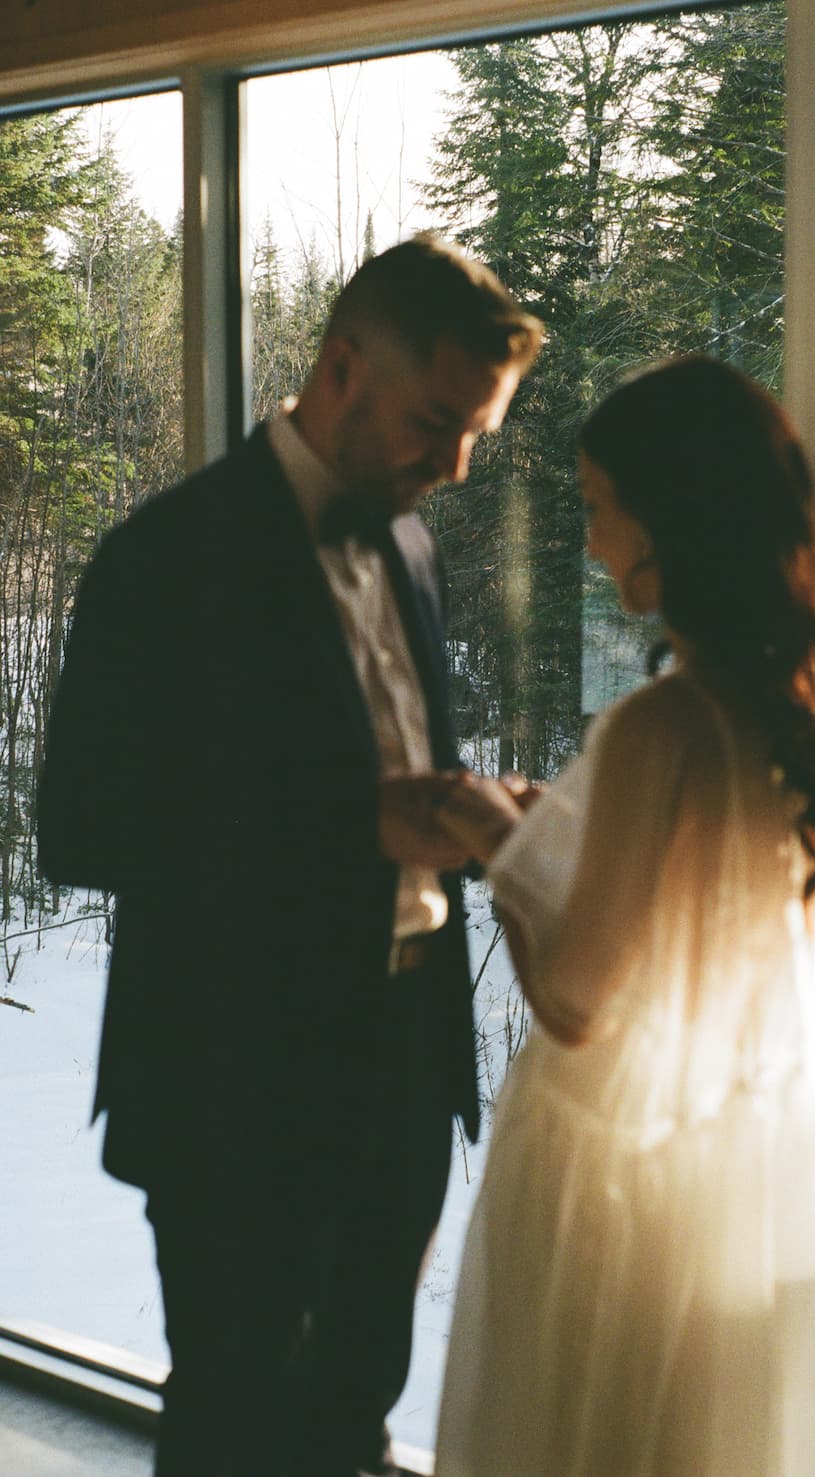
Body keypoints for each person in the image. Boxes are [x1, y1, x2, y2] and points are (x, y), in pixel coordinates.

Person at [36, 234, 543, 1477]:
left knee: (356, 1404)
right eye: (437, 422)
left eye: (477, 432)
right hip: (231, 1074)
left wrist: (474, 817)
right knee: (238, 1418)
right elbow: (83, 825)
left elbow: (383, 764)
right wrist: (355, 823)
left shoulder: (413, 545)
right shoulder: (165, 558)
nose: (457, 464)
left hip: (405, 1060)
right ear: (338, 370)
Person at [433, 356, 815, 1477]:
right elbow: (693, 912)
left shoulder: (665, 722)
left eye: (599, 507)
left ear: (664, 522)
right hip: (741, 1171)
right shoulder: (814, 700)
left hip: (619, 1180)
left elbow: (575, 999)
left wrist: (496, 842)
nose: (593, 538)